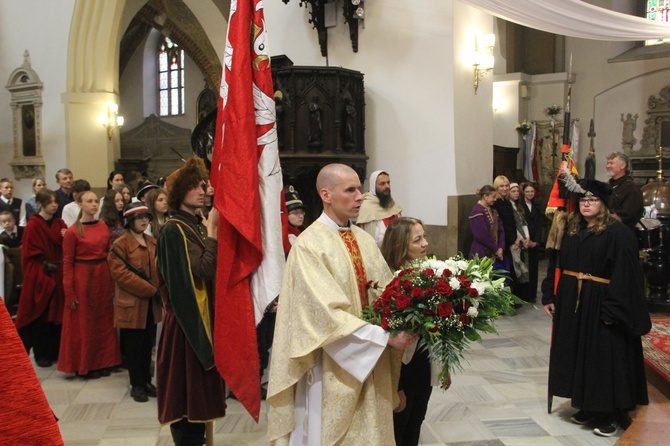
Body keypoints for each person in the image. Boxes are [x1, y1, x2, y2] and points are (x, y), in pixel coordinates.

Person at [267, 163, 416, 446]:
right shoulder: (309, 245)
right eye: (351, 190)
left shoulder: (364, 239)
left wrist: (411, 316)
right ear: (326, 194)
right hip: (330, 366)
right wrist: (384, 337)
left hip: (374, 361)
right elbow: (322, 315)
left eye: (359, 188)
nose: (360, 196)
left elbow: (388, 294)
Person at [541, 179, 651, 438]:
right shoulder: (572, 229)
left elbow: (626, 275)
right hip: (573, 302)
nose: (586, 204)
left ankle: (609, 414)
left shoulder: (618, 233)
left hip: (602, 302)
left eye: (592, 200)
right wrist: (549, 294)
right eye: (582, 200)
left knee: (603, 358)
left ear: (604, 204)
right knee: (580, 353)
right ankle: (587, 404)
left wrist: (614, 308)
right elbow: (556, 264)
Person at [155, 157, 225, 445]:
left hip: (200, 321)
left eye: (202, 185)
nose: (203, 190)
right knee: (186, 403)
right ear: (179, 193)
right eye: (195, 186)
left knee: (198, 402)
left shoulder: (192, 225)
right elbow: (204, 271)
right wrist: (213, 233)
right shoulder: (174, 229)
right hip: (187, 327)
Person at [381, 217, 444, 446]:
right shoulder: (388, 282)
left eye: (424, 236)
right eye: (418, 240)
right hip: (403, 370)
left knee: (416, 421)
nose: (425, 243)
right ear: (400, 244)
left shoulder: (428, 273)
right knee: (399, 427)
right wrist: (395, 387)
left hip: (423, 365)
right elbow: (388, 340)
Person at [58, 190, 121, 379]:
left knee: (103, 320)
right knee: (84, 322)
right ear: (80, 205)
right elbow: (67, 262)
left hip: (102, 276)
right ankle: (86, 364)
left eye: (95, 201)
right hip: (82, 278)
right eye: (89, 201)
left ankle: (104, 361)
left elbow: (109, 254)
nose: (94, 204)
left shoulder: (102, 227)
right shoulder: (72, 231)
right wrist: (69, 291)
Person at [108, 202, 162, 403]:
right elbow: (121, 274)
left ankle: (146, 381)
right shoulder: (120, 244)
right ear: (130, 221)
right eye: (139, 218)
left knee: (148, 345)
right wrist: (150, 290)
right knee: (133, 347)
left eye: (146, 217)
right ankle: (136, 384)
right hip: (131, 304)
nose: (144, 221)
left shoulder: (152, 242)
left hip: (150, 305)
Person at [14, 190, 67, 368]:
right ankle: (41, 353)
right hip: (42, 274)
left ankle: (56, 351)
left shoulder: (60, 223)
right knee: (42, 315)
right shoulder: (34, 225)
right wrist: (43, 270)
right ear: (40, 204)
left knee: (58, 316)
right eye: (50, 202)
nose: (54, 205)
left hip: (59, 272)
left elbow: (66, 245)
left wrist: (66, 237)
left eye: (56, 202)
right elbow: (29, 255)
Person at [356, 170, 403, 247]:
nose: (387, 186)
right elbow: (372, 237)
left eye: (388, 182)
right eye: (382, 184)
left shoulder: (392, 204)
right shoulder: (367, 207)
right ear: (373, 186)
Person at [605, 152, 643, 230]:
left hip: (621, 231)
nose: (607, 166)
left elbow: (627, 214)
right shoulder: (607, 186)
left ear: (622, 165)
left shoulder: (631, 188)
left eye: (611, 163)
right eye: (607, 163)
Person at [468, 185, 504, 262]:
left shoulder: (493, 211)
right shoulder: (477, 212)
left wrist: (501, 247)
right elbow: (481, 235)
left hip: (494, 252)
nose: (495, 199)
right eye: (493, 197)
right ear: (485, 196)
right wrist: (496, 249)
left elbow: (501, 230)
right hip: (481, 252)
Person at [520, 183, 543, 303]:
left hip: (534, 241)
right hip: (524, 241)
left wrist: (537, 241)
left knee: (534, 268)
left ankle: (532, 294)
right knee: (525, 268)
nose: (530, 194)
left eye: (532, 191)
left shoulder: (537, 205)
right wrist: (526, 240)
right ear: (523, 192)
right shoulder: (520, 205)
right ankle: (524, 294)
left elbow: (540, 225)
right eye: (527, 191)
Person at [492, 175, 516, 282]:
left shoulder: (507, 202)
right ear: (496, 188)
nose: (505, 188)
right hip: (501, 243)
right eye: (501, 186)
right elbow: (500, 226)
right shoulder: (495, 204)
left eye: (507, 186)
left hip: (509, 242)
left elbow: (511, 222)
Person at [509, 183, 530, 296]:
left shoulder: (519, 206)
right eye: (513, 191)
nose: (516, 193)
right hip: (516, 238)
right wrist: (520, 238)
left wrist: (527, 238)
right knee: (516, 264)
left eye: (517, 191)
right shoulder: (509, 207)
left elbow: (523, 223)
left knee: (524, 264)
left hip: (523, 238)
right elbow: (512, 225)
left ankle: (523, 293)